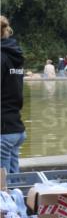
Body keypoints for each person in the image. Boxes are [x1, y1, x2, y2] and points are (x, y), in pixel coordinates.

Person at [1, 16, 26, 173]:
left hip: (3, 131)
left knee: (2, 186)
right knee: (14, 182)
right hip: (16, 128)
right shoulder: (14, 54)